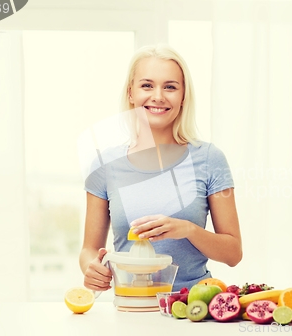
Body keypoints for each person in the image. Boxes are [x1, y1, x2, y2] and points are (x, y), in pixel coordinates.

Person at [79, 44, 242, 292]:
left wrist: (187, 229)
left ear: (183, 96)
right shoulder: (104, 166)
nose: (158, 96)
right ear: (131, 93)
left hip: (193, 309)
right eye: (147, 85)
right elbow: (89, 249)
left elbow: (233, 253)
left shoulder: (210, 159)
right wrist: (92, 268)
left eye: (170, 87)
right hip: (130, 305)